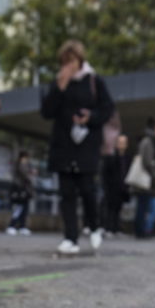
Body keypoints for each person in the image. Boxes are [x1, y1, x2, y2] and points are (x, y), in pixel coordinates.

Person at [41, 39, 114, 255]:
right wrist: (59, 88)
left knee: (87, 190)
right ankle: (70, 238)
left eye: (72, 61)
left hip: (86, 146)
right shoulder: (58, 83)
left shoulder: (94, 81)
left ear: (80, 60)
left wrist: (90, 118)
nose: (68, 65)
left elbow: (107, 109)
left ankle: (93, 226)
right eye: (65, 61)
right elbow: (47, 112)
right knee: (67, 193)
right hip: (63, 146)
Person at [133, 117, 155, 240]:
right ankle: (141, 231)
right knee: (144, 207)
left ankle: (142, 230)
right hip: (146, 181)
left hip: (148, 180)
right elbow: (147, 161)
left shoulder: (149, 140)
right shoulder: (148, 141)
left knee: (144, 206)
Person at [101, 134, 132, 235]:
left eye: (123, 142)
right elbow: (105, 173)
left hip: (123, 188)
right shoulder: (111, 157)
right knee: (110, 208)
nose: (121, 145)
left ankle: (116, 228)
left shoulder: (128, 158)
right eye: (119, 142)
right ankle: (109, 228)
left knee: (118, 208)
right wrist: (105, 186)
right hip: (111, 187)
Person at [6, 151, 34, 235]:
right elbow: (24, 175)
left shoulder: (25, 165)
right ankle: (12, 226)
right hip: (19, 190)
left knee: (24, 209)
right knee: (18, 209)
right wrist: (30, 173)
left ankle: (22, 226)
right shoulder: (19, 164)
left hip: (24, 190)